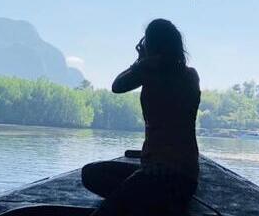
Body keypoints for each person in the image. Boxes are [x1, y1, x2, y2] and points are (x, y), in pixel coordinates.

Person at [81, 19, 201, 215]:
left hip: (164, 175)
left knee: (104, 199)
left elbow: (117, 85)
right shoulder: (191, 76)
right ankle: (149, 203)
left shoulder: (149, 72)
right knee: (92, 173)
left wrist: (139, 62)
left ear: (152, 46)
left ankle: (145, 202)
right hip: (184, 175)